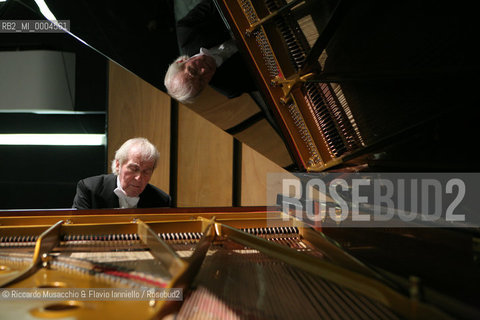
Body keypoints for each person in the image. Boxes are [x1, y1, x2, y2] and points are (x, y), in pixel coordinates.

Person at [164, 0, 257, 104]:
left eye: (193, 71)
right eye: (201, 82)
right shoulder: (231, 88)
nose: (204, 71)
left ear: (181, 61)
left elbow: (220, 4)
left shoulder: (187, 29)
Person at [72, 137, 171, 209]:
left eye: (146, 171)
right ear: (118, 165)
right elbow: (75, 233)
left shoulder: (161, 200)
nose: (139, 178)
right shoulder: (89, 189)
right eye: (134, 169)